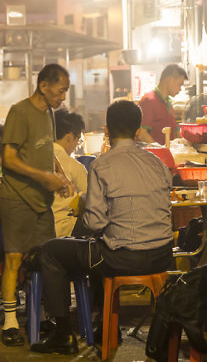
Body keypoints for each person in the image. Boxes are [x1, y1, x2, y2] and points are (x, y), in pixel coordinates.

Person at [32, 100, 174, 354]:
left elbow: (95, 222)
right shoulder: (158, 164)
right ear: (138, 130)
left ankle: (64, 333)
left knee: (53, 251)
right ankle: (109, 324)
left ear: (107, 130)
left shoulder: (101, 165)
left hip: (121, 259)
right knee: (98, 247)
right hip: (162, 256)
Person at [0, 63, 71, 346]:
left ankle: (40, 316)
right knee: (14, 259)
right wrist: (45, 177)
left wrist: (60, 174)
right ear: (43, 86)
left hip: (42, 200)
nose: (62, 96)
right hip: (17, 197)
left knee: (47, 260)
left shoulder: (49, 114)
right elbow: (9, 159)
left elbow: (46, 149)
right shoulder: (19, 112)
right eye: (60, 90)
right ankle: (10, 322)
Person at [52, 109, 88, 237]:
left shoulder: (37, 158)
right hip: (64, 231)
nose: (77, 145)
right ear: (70, 136)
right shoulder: (74, 166)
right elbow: (92, 199)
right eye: (78, 140)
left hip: (36, 232)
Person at [137, 64, 187, 145]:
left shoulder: (169, 103)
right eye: (180, 84)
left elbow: (175, 133)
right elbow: (142, 134)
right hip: (152, 156)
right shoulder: (148, 101)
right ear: (169, 79)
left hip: (168, 155)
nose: (180, 89)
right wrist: (160, 151)